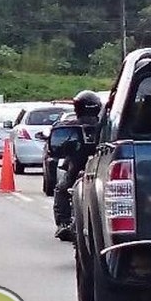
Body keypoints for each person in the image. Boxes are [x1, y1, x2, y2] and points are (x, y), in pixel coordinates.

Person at [52, 90, 102, 242]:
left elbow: (60, 143)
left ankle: (64, 223)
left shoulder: (70, 126)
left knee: (61, 190)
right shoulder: (105, 126)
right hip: (99, 167)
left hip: (79, 166)